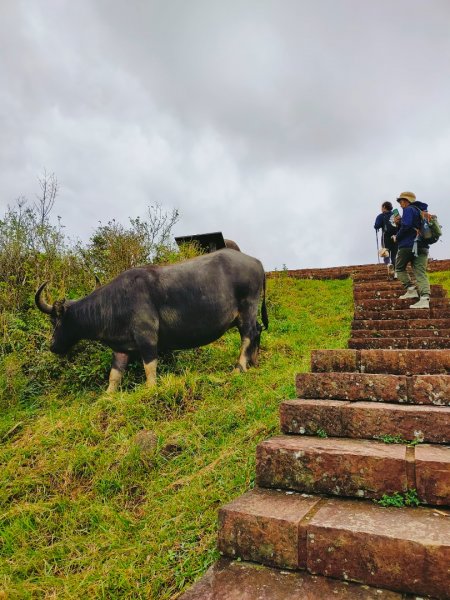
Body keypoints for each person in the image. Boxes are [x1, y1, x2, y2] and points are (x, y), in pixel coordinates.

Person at [392, 191, 431, 309]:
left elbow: (407, 226)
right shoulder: (421, 211)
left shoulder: (409, 210)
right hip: (423, 246)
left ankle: (410, 289)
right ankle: (424, 299)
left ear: (405, 201)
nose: (400, 204)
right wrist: (399, 222)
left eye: (401, 201)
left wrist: (397, 237)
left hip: (408, 244)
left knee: (398, 268)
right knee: (420, 272)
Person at [374, 201, 398, 271]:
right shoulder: (395, 214)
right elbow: (401, 223)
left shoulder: (381, 216)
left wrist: (376, 227)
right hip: (396, 236)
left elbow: (377, 226)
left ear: (384, 207)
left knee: (385, 253)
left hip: (386, 237)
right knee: (394, 255)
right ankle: (395, 272)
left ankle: (388, 264)